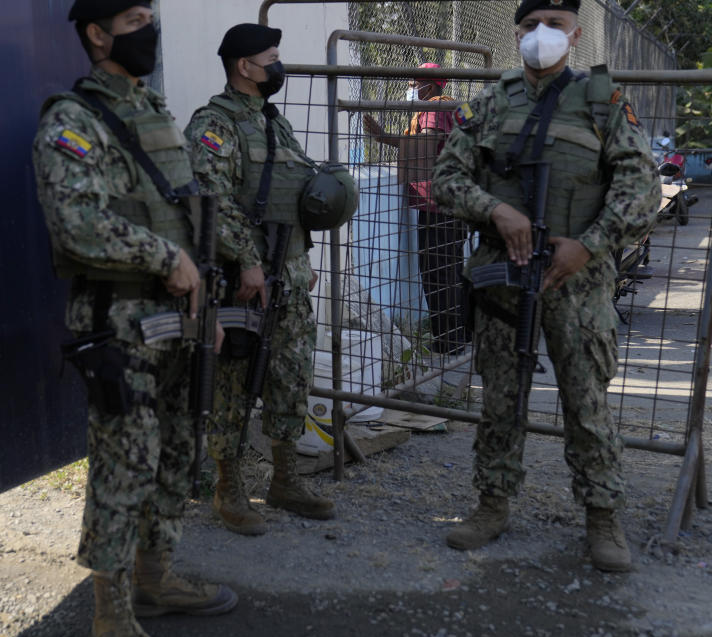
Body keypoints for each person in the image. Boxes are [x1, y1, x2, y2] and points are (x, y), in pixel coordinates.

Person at [431, 0, 660, 572]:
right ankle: (492, 503)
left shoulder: (604, 104)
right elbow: (447, 178)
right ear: (516, 33)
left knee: (587, 406)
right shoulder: (487, 102)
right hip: (503, 279)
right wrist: (495, 211)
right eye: (531, 25)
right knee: (500, 402)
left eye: (554, 25)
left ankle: (602, 517)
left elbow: (641, 190)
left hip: (577, 283)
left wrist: (589, 242)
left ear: (575, 35)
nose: (542, 35)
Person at [32, 2, 237, 637]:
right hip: (120, 321)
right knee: (126, 462)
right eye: (132, 19)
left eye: (151, 15)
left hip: (179, 315)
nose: (148, 29)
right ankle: (110, 613)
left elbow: (181, 217)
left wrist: (203, 302)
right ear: (97, 35)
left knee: (179, 449)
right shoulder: (73, 120)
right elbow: (76, 224)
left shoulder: (153, 111)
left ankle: (156, 577)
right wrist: (165, 257)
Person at [184, 24, 338, 536]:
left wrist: (302, 256)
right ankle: (228, 487)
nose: (278, 66)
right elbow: (210, 199)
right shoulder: (215, 124)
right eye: (270, 58)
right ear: (244, 67)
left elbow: (290, 193)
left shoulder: (275, 122)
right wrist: (248, 260)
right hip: (242, 277)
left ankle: (285, 479)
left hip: (288, 273)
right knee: (233, 382)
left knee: (290, 374)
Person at [364, 64, 470, 355]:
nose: (411, 89)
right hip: (448, 203)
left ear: (429, 85)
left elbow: (427, 141)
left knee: (438, 273)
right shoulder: (447, 108)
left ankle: (448, 342)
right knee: (449, 271)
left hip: (440, 207)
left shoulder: (436, 108)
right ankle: (456, 337)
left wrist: (385, 138)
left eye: (414, 83)